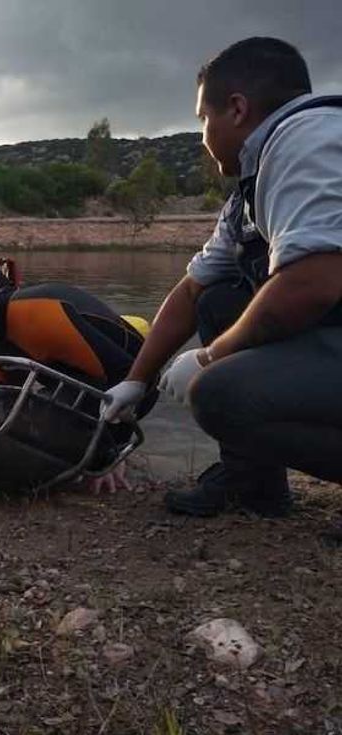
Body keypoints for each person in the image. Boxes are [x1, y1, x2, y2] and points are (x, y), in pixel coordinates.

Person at [102, 37, 342, 517]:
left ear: (236, 109)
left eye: (202, 120)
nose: (203, 136)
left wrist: (210, 358)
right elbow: (193, 289)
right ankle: (254, 484)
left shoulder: (307, 139)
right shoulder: (249, 191)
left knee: (217, 392)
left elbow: (315, 280)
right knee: (219, 299)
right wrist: (135, 382)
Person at [0, 279, 152, 491]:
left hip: (135, 382)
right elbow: (10, 405)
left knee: (60, 429)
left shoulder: (37, 314)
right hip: (82, 385)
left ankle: (106, 451)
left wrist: (112, 454)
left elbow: (129, 375)